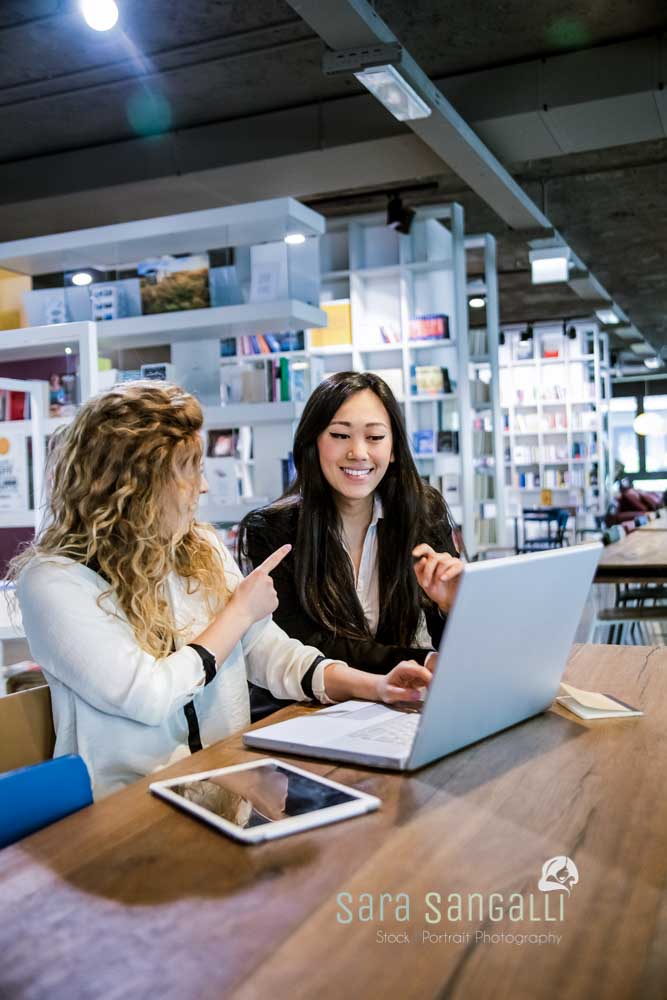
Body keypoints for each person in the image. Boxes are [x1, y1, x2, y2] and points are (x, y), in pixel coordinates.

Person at [9, 381, 431, 800]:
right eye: (191, 468)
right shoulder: (54, 581)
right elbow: (148, 697)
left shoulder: (199, 548)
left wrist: (375, 686)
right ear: (136, 482)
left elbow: (270, 653)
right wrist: (238, 614)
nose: (204, 486)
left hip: (230, 788)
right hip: (130, 810)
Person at [238, 371, 464, 715]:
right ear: (313, 442)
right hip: (303, 711)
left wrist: (451, 606)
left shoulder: (422, 511)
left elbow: (456, 652)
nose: (358, 452)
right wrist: (422, 661)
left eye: (374, 437)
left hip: (399, 706)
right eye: (340, 435)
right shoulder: (272, 529)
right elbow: (306, 644)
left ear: (393, 450)